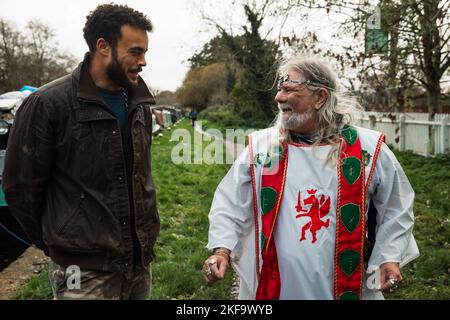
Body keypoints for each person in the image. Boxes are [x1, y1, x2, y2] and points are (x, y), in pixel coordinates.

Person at [203, 56, 419, 300]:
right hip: (280, 286)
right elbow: (230, 203)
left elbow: (396, 205)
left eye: (289, 90)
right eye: (279, 89)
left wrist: (388, 257)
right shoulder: (262, 149)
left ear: (320, 98)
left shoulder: (368, 149)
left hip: (348, 285)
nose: (279, 97)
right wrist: (221, 250)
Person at [3, 4, 160, 300]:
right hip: (81, 272)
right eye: (136, 51)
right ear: (103, 46)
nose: (144, 61)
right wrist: (59, 243)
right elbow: (19, 188)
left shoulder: (140, 105)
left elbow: (142, 176)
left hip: (138, 264)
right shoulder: (48, 104)